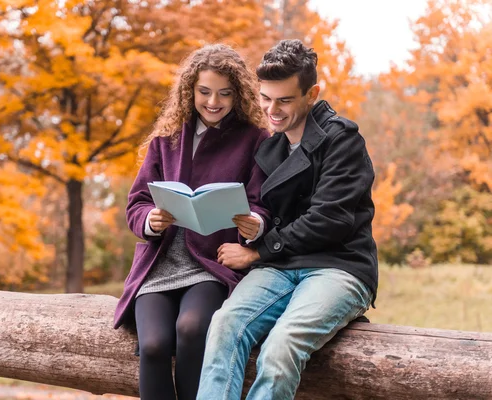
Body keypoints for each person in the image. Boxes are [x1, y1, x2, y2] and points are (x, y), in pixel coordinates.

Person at [196, 39, 378, 400]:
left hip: (338, 266)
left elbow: (329, 220)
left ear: (312, 94)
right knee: (223, 324)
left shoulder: (343, 140)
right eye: (265, 98)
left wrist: (258, 252)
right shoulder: (271, 146)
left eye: (284, 100)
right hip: (281, 266)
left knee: (281, 346)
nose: (271, 110)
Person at [113, 44, 271, 400]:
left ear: (239, 94)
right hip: (159, 265)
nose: (213, 101)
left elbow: (264, 204)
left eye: (224, 93)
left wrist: (255, 224)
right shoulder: (165, 140)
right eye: (204, 92)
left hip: (211, 265)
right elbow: (137, 203)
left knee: (191, 328)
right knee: (152, 345)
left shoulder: (255, 139)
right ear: (190, 91)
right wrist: (151, 220)